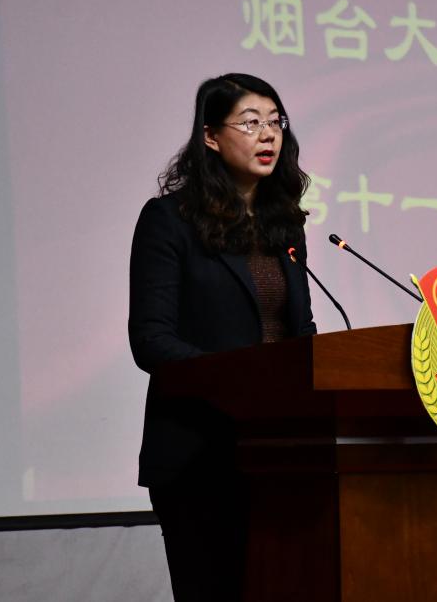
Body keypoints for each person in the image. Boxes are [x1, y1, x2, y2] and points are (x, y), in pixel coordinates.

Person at [128, 73, 316, 601]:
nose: (268, 134)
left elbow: (300, 331)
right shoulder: (169, 221)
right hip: (200, 456)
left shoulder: (284, 225)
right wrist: (244, 386)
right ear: (210, 136)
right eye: (250, 123)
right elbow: (151, 340)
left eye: (275, 122)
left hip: (283, 454)